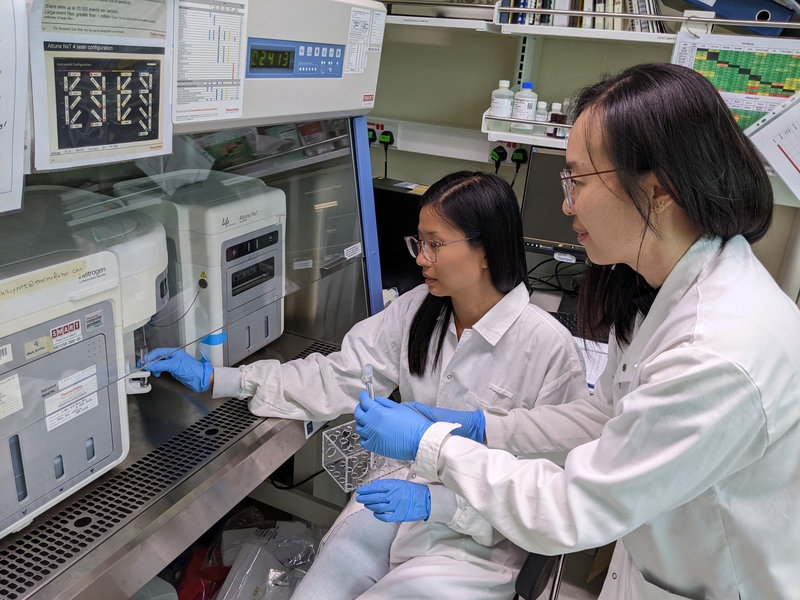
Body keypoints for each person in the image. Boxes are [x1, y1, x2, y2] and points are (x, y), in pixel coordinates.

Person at [354, 63, 800, 599]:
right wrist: (480, 427)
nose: (566, 203)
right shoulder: (656, 294)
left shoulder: (717, 351)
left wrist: (435, 445)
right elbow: (603, 417)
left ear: (657, 190)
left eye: (578, 180)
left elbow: (571, 508)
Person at [140, 171, 589, 600]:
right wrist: (224, 378)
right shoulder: (419, 310)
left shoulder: (548, 351)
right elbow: (337, 375)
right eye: (419, 242)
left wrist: (441, 505)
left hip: (478, 540)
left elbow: (548, 493)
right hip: (396, 499)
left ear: (486, 249)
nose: (419, 259)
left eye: (435, 244)